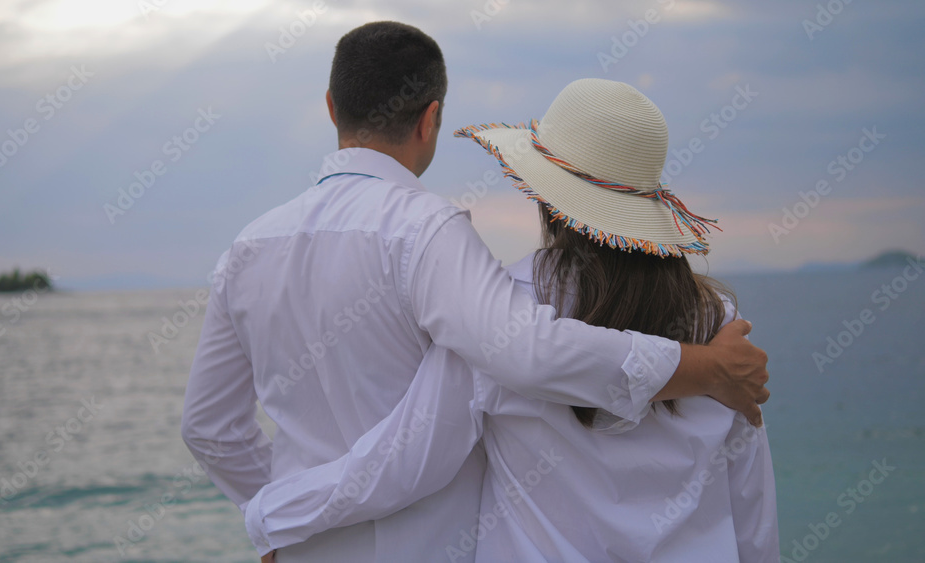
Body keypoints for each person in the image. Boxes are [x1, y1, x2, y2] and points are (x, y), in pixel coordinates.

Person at [181, 22, 770, 563]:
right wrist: (704, 368)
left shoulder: (246, 250)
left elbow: (215, 429)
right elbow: (751, 506)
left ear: (331, 106)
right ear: (430, 119)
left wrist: (279, 515)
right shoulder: (722, 323)